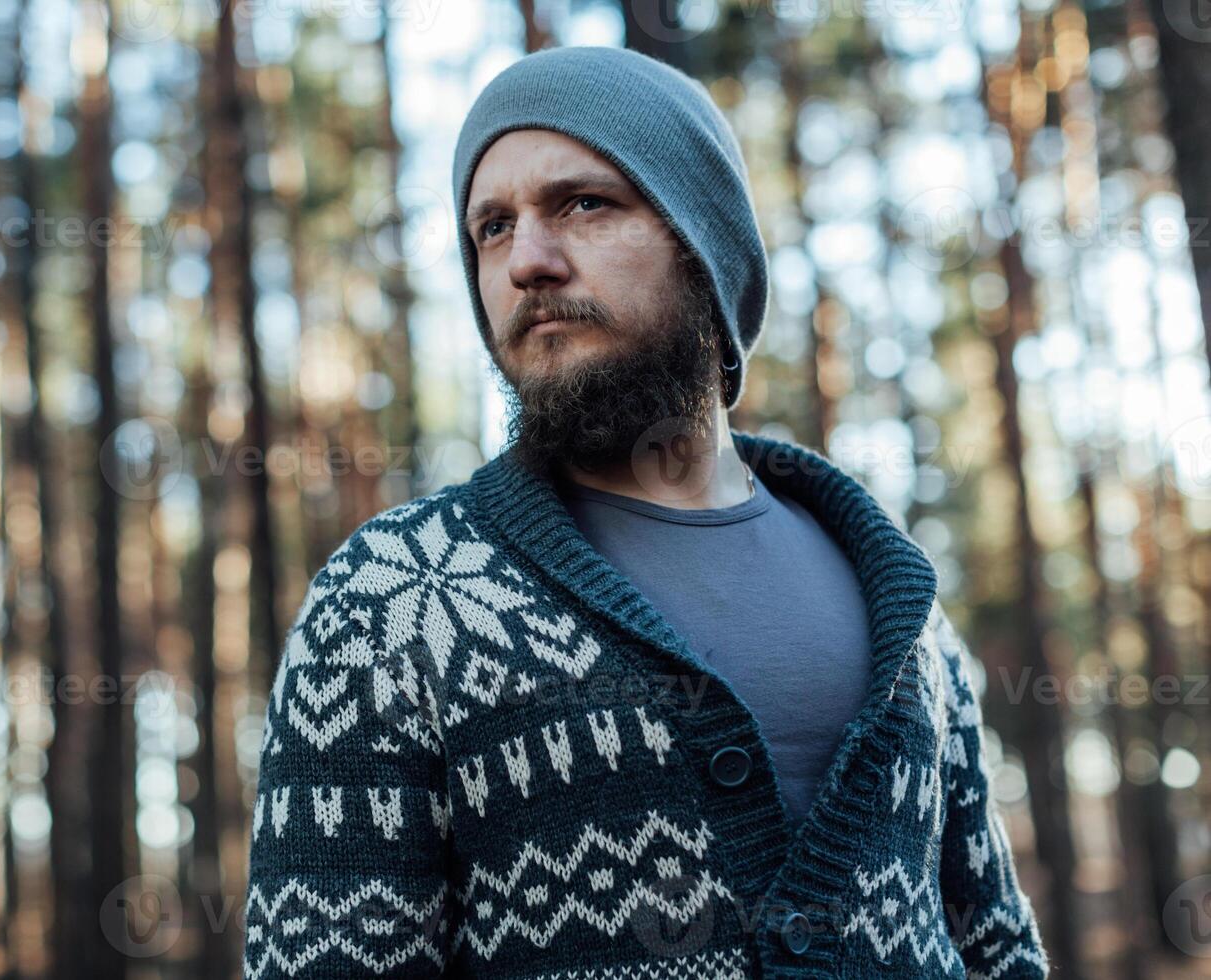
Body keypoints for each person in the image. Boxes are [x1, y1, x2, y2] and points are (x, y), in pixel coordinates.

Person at [242, 45, 1049, 978]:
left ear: (702, 242)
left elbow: (995, 946)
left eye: (584, 204)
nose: (527, 263)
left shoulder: (898, 601)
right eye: (492, 229)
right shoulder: (395, 595)